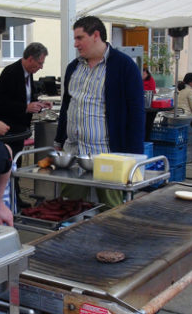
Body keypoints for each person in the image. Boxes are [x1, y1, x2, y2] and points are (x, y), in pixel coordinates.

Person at [54, 16, 146, 208]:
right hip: (74, 152)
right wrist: (58, 141)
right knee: (69, 207)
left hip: (108, 155)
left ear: (96, 35)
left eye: (80, 38)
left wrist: (134, 157)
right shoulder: (73, 67)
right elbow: (67, 106)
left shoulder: (124, 66)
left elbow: (136, 114)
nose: (75, 44)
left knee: (112, 209)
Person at [0, 42, 50, 157]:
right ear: (30, 59)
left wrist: (40, 104)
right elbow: (1, 103)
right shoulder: (10, 73)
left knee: (17, 161)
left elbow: (27, 98)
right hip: (9, 131)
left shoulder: (29, 73)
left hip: (20, 129)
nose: (41, 67)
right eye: (40, 63)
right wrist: (25, 108)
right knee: (11, 161)